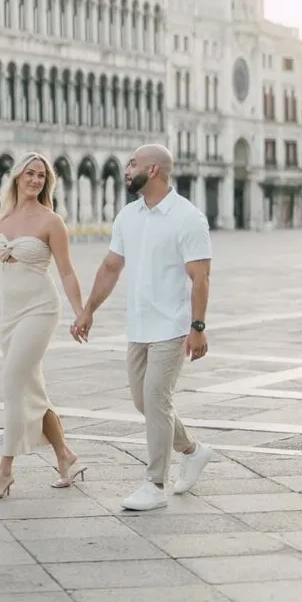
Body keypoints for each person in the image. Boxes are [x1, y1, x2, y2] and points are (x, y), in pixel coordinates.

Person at [72, 144, 213, 511]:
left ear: (152, 170)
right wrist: (88, 310)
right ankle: (193, 451)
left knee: (156, 399)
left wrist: (198, 326)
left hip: (171, 326)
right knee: (144, 401)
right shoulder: (127, 216)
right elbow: (110, 268)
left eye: (132, 163)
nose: (127, 169)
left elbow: (200, 277)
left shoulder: (188, 218)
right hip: (138, 325)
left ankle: (155, 483)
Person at [0, 152, 86, 500]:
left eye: (42, 176)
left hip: (41, 308)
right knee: (32, 389)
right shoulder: (1, 221)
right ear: (16, 177)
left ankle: (5, 470)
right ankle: (65, 456)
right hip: (10, 314)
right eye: (30, 173)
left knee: (13, 382)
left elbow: (67, 271)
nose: (36, 180)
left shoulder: (52, 221)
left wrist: (80, 312)